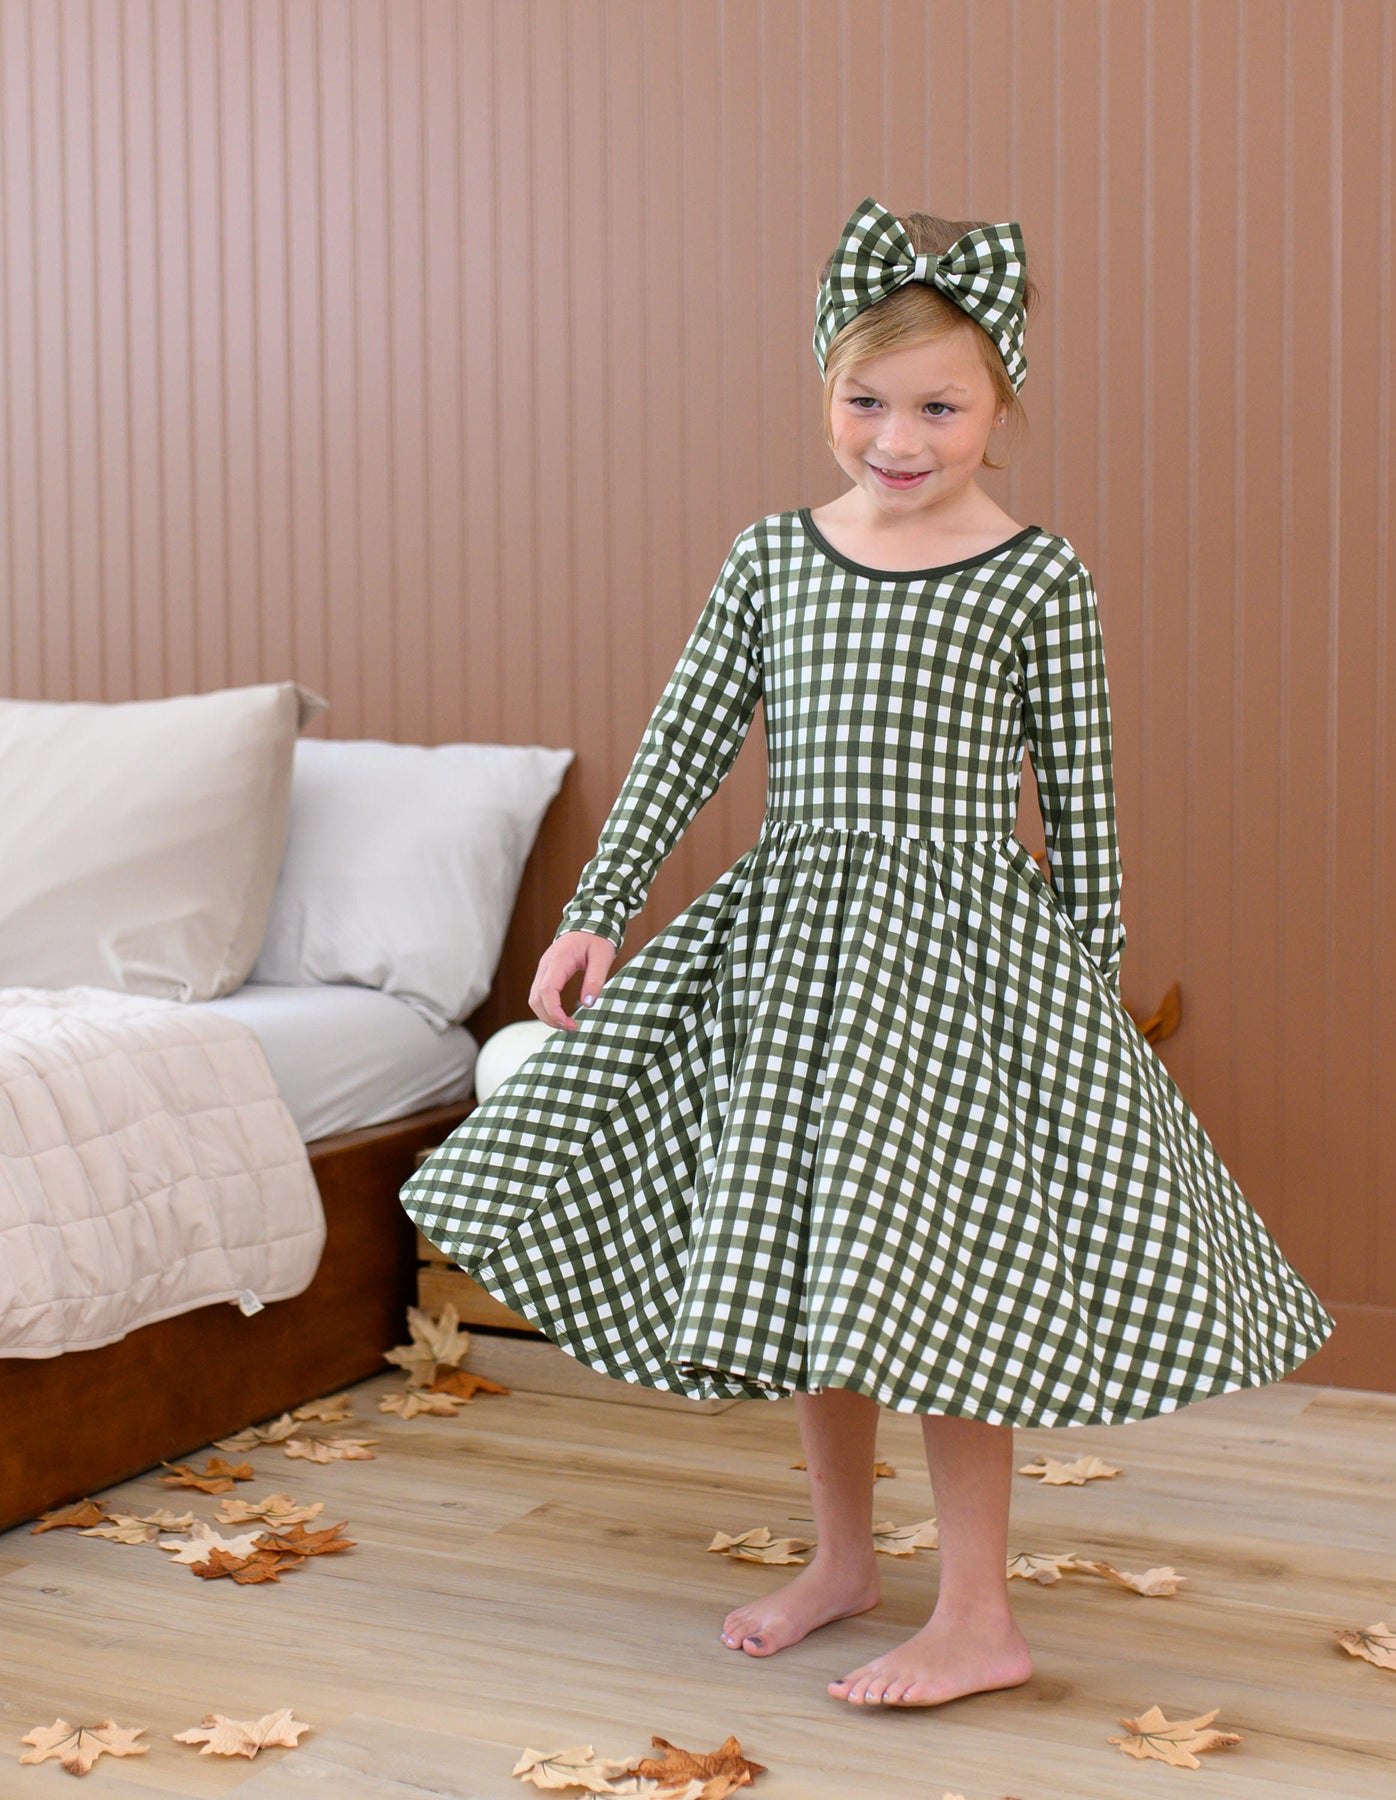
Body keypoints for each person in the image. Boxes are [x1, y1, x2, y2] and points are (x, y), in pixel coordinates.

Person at [400, 196, 1335, 1710]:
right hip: (801, 956)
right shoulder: (776, 556)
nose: (896, 437)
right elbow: (686, 743)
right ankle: (846, 1560)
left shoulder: (1037, 578)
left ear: (1000, 406)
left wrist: (1086, 987)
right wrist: (598, 907)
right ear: (825, 391)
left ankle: (980, 1613)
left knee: (950, 1280)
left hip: (964, 971)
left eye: (939, 406)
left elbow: (1080, 798)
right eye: (865, 399)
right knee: (826, 1262)